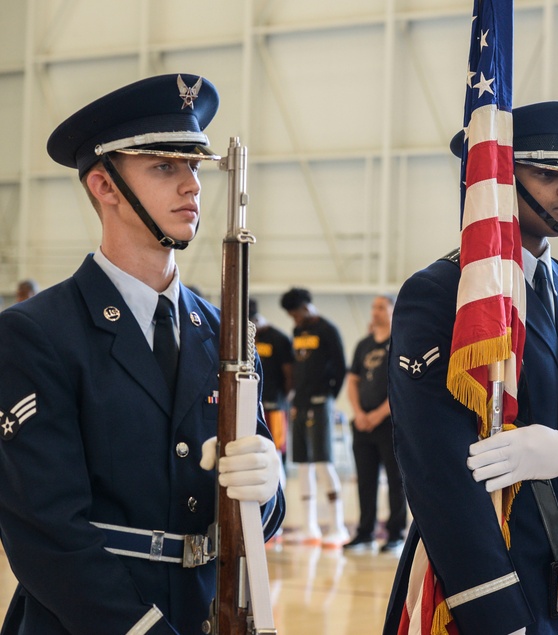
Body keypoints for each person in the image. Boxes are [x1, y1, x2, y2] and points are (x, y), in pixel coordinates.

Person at [0, 74, 284, 634]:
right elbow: (47, 532)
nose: (192, 186)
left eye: (195, 167)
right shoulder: (37, 334)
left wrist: (269, 491)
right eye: (164, 167)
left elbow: (252, 520)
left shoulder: (226, 333)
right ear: (104, 186)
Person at [382, 101, 558, 635]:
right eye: (547, 172)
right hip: (486, 583)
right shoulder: (442, 295)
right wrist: (495, 611)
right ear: (494, 181)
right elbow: (436, 469)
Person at [280, 286, 350, 547]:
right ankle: (309, 526)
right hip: (299, 402)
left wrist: (329, 395)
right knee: (303, 464)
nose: (294, 320)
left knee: (323, 461)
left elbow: (341, 366)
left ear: (306, 308)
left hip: (321, 402)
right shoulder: (298, 331)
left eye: (295, 314)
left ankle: (337, 525)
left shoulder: (327, 330)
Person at [343, 294, 407, 554]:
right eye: (374, 307)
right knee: (365, 481)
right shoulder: (364, 345)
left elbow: (402, 386)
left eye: (381, 307)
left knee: (395, 481)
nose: (375, 311)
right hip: (362, 423)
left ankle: (395, 534)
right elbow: (352, 381)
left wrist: (379, 414)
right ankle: (365, 532)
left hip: (389, 424)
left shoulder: (400, 343)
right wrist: (358, 412)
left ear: (392, 310)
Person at [250, 297, 294, 461]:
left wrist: (284, 399)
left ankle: (279, 485)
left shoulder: (279, 339)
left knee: (275, 448)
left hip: (275, 404)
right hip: (251, 402)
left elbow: (289, 374)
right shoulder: (242, 338)